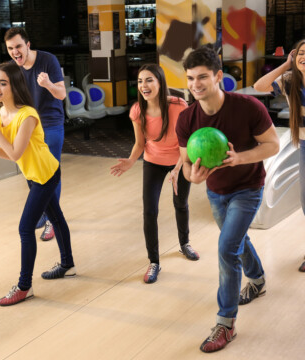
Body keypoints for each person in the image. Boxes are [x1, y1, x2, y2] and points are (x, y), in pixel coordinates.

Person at [176, 45, 279, 352]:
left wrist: (239, 158)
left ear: (219, 76)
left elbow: (272, 145)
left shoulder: (248, 107)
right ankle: (257, 279)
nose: (196, 84)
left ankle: (226, 324)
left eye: (203, 77)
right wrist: (190, 177)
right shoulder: (186, 119)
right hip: (215, 192)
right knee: (236, 242)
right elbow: (184, 163)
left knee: (226, 248)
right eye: (191, 78)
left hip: (248, 188)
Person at [0, 62, 75, 306]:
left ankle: (24, 286)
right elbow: (9, 153)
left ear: (15, 86)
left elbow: (15, 154)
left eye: (2, 82)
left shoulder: (27, 114)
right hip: (33, 175)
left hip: (46, 175)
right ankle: (68, 264)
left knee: (25, 229)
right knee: (56, 218)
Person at [110, 63, 199, 285]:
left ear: (160, 82)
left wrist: (179, 167)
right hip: (153, 162)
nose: (144, 85)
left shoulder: (178, 105)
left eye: (149, 80)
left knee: (181, 203)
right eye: (140, 81)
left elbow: (187, 142)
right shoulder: (137, 111)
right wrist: (131, 160)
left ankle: (185, 243)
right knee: (149, 211)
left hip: (179, 159)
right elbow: (140, 143)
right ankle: (154, 261)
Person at [4, 27, 66, 241]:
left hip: (50, 122)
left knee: (49, 173)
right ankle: (45, 211)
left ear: (28, 45)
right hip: (27, 124)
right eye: (11, 48)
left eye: (19, 46)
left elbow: (62, 94)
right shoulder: (12, 69)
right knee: (31, 173)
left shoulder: (48, 60)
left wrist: (47, 84)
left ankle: (52, 220)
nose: (15, 52)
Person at [253, 40, 305, 273]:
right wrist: (286, 65)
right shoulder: (289, 81)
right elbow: (259, 85)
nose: (304, 57)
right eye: (301, 53)